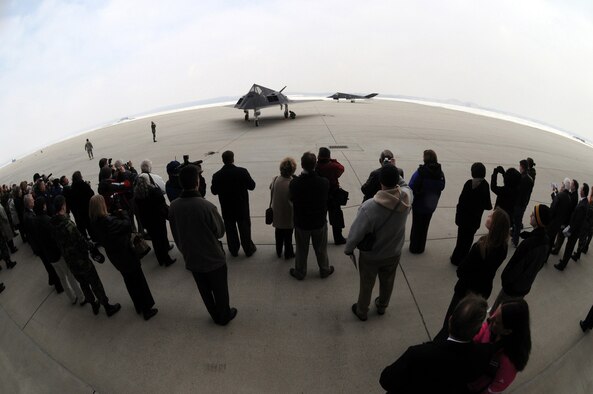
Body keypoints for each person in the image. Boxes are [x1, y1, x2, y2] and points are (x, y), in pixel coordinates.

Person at [379, 294, 493, 394]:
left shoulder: (418, 353)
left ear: (450, 320)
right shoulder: (480, 357)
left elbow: (386, 381)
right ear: (478, 331)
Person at [169, 164, 237, 325]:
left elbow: (175, 232)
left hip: (191, 257)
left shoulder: (173, 206)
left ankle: (214, 314)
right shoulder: (206, 206)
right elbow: (220, 231)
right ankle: (224, 315)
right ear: (197, 182)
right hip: (213, 257)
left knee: (204, 291)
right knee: (220, 290)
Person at [344, 165, 412, 321]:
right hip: (394, 252)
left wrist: (349, 249)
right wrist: (393, 168)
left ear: (380, 181)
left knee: (367, 284)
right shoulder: (407, 198)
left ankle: (362, 310)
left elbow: (356, 233)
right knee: (388, 281)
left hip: (372, 255)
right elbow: (406, 186)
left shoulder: (370, 207)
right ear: (397, 181)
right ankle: (382, 306)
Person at [435, 208, 510, 342]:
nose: (488, 216)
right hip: (483, 290)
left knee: (451, 321)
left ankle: (440, 343)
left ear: (495, 225)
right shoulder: (503, 247)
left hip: (465, 290)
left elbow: (462, 270)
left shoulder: (481, 246)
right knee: (467, 323)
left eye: (491, 216)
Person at [90, 195, 158, 320]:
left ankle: (138, 305)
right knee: (139, 280)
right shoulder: (108, 222)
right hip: (126, 253)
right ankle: (146, 309)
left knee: (129, 281)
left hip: (115, 256)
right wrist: (123, 213)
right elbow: (126, 225)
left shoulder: (95, 223)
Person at [50, 196, 121, 317]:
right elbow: (80, 241)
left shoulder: (52, 224)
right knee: (95, 283)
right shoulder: (67, 224)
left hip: (70, 261)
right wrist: (91, 246)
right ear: (63, 206)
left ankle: (94, 304)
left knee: (83, 284)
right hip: (81, 260)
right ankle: (107, 306)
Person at [491, 204, 551, 312]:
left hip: (512, 289)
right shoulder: (546, 241)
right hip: (524, 287)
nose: (531, 215)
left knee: (497, 312)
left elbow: (515, 267)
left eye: (533, 214)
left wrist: (505, 280)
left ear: (538, 220)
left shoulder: (528, 245)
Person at [468, 299, 531, 393]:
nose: (490, 319)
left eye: (496, 322)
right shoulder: (493, 326)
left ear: (507, 331)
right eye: (494, 314)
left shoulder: (509, 362)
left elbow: (497, 386)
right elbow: (480, 333)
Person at [288, 152, 333, 280]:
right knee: (321, 249)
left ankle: (300, 272)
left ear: (302, 165)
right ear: (315, 164)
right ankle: (324, 270)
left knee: (301, 250)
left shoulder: (295, 183)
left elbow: (291, 198)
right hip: (319, 222)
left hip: (302, 223)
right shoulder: (324, 182)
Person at [31, 198, 82, 304]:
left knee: (62, 278)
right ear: (43, 207)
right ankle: (80, 297)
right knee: (70, 275)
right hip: (57, 253)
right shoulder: (47, 220)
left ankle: (72, 298)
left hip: (48, 255)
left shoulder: (34, 220)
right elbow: (55, 237)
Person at [211, 151, 257, 257]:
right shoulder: (242, 172)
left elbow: (214, 191)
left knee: (230, 230)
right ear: (233, 159)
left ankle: (233, 250)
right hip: (242, 207)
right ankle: (248, 249)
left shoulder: (217, 175)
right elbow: (252, 186)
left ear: (223, 160)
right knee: (245, 229)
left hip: (227, 208)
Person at [134, 160, 175, 267]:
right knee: (161, 238)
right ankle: (167, 259)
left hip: (147, 221)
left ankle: (160, 259)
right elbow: (161, 203)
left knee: (155, 240)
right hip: (157, 219)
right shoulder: (154, 191)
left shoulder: (137, 194)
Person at [450, 162, 492, 266]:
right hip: (474, 219)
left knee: (461, 239)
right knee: (468, 240)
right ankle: (463, 259)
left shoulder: (469, 183)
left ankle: (456, 259)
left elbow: (461, 201)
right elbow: (488, 205)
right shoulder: (485, 185)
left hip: (464, 219)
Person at [408, 149, 445, 254]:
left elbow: (411, 185)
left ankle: (414, 248)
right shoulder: (440, 172)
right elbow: (442, 186)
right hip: (431, 205)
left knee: (416, 226)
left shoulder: (421, 172)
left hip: (419, 204)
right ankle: (421, 247)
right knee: (425, 226)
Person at [554, 183, 589, 271]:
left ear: (583, 192)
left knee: (569, 247)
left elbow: (577, 221)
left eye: (581, 189)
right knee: (569, 246)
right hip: (575, 230)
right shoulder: (583, 202)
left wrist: (570, 229)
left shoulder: (583, 206)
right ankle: (564, 261)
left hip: (574, 231)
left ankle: (563, 264)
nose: (580, 191)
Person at [316, 147, 346, 244]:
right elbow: (342, 168)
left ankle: (320, 238)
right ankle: (338, 238)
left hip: (321, 196)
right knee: (336, 217)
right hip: (333, 195)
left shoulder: (316, 166)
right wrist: (332, 160)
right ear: (328, 156)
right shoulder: (333, 166)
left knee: (320, 218)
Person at [270, 157, 296, 259]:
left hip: (277, 211)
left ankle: (278, 250)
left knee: (278, 232)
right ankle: (288, 253)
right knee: (288, 235)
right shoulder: (292, 183)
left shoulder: (275, 179)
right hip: (288, 213)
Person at [551, 179, 579, 255]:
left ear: (574, 187)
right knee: (559, 234)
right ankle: (556, 245)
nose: (570, 185)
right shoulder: (571, 194)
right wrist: (556, 191)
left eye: (572, 184)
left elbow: (569, 209)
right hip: (564, 218)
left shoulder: (574, 196)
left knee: (561, 235)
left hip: (566, 220)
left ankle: (556, 249)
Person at [512, 160, 534, 247]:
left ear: (522, 166)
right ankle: (515, 239)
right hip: (523, 204)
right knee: (518, 222)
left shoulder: (521, 178)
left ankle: (515, 239)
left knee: (516, 222)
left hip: (518, 204)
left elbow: (517, 191)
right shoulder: (530, 179)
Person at [547, 178, 572, 256]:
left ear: (564, 186)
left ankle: (544, 255)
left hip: (552, 222)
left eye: (562, 184)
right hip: (559, 223)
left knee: (548, 238)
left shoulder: (560, 195)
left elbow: (552, 209)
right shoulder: (569, 198)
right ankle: (546, 256)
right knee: (552, 239)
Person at [69, 171, 95, 239]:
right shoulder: (84, 185)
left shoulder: (72, 188)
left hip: (79, 210)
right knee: (90, 225)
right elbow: (92, 194)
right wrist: (89, 186)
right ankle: (94, 237)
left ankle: (86, 238)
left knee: (83, 225)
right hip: (87, 208)